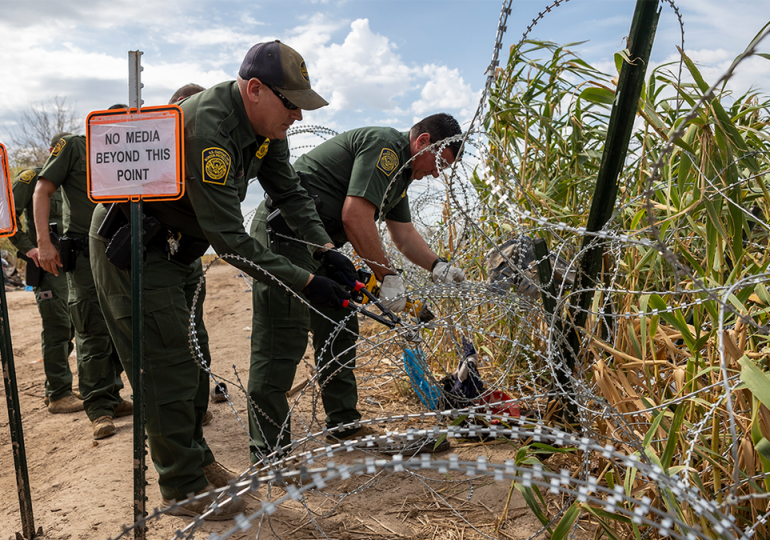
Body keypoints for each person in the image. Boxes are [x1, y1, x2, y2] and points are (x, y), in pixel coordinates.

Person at [89, 41, 351, 520]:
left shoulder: (266, 127)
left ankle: (198, 460)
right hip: (135, 251)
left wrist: (326, 250)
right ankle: (182, 490)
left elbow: (289, 191)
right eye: (291, 104)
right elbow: (231, 242)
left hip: (175, 247)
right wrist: (308, 282)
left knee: (191, 363)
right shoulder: (210, 131)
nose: (297, 116)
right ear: (255, 90)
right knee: (166, 367)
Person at [248, 114, 466, 459]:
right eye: (439, 163)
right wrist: (387, 277)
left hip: (323, 248)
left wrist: (438, 265)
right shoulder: (386, 149)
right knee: (281, 341)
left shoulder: (400, 176)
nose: (437, 173)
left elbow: (403, 234)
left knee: (340, 325)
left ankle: (343, 426)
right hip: (285, 237)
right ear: (423, 141)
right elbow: (355, 216)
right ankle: (269, 453)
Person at [33, 117, 132, 440]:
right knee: (91, 328)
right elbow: (41, 190)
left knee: (123, 323)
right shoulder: (75, 146)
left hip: (121, 251)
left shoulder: (133, 148)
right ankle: (99, 408)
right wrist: (43, 244)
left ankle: (113, 395)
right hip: (85, 256)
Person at [8, 132, 79, 414]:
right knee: (57, 328)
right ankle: (59, 394)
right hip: (46, 268)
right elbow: (7, 216)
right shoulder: (32, 178)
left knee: (74, 325)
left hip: (72, 264)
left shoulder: (70, 181)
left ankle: (65, 387)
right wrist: (29, 249)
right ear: (53, 151)